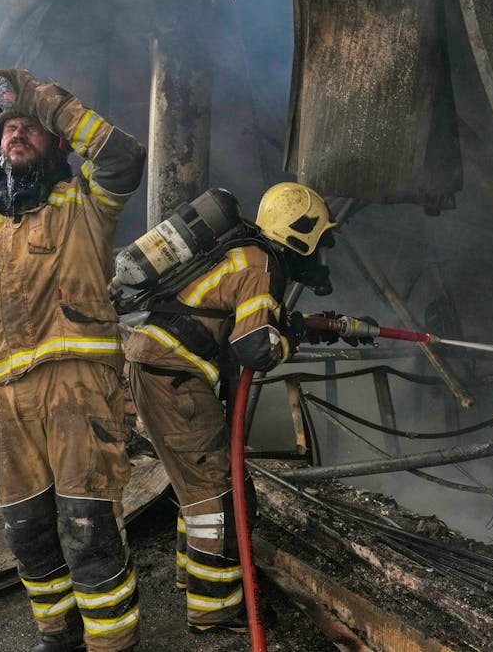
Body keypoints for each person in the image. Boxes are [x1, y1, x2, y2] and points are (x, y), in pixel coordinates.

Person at [0, 68, 146, 652]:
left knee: (87, 530)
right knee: (29, 534)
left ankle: (112, 645)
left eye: (29, 129)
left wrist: (40, 99)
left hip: (79, 393)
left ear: (54, 143)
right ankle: (57, 639)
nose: (16, 133)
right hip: (7, 406)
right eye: (8, 129)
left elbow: (124, 157)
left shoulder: (85, 203)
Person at [124, 182, 336, 633]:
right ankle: (215, 607)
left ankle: (193, 578)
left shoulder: (241, 251)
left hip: (160, 367)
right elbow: (255, 348)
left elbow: (231, 315)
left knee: (198, 486)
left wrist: (290, 326)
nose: (319, 255)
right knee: (219, 493)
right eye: (317, 242)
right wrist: (288, 342)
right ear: (298, 236)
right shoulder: (261, 266)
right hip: (175, 379)